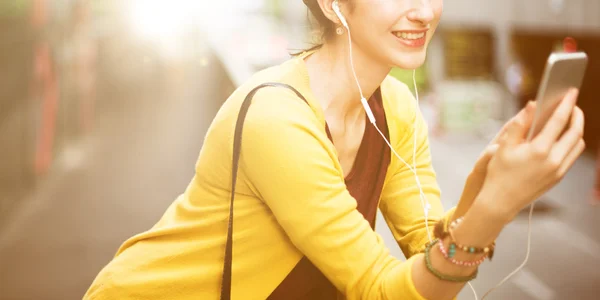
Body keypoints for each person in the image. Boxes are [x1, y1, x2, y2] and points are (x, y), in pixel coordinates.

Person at [84, 0, 585, 299]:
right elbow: (386, 291)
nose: (424, 11)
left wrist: (487, 181)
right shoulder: (275, 118)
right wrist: (496, 207)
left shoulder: (394, 108)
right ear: (331, 3)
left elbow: (427, 254)